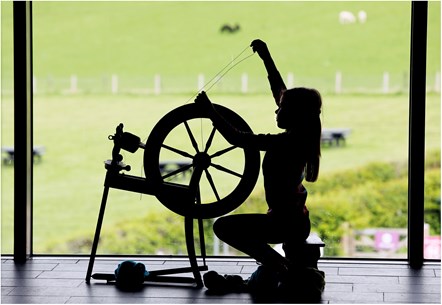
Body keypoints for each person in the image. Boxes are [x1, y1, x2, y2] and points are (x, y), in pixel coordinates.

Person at [195, 39, 322, 281]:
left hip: (284, 225)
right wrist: (266, 57)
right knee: (233, 228)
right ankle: (278, 265)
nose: (277, 110)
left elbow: (237, 138)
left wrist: (211, 112)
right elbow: (280, 92)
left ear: (294, 115)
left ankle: (279, 265)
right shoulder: (300, 137)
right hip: (295, 221)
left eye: (282, 108)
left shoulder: (286, 143)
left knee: (222, 227)